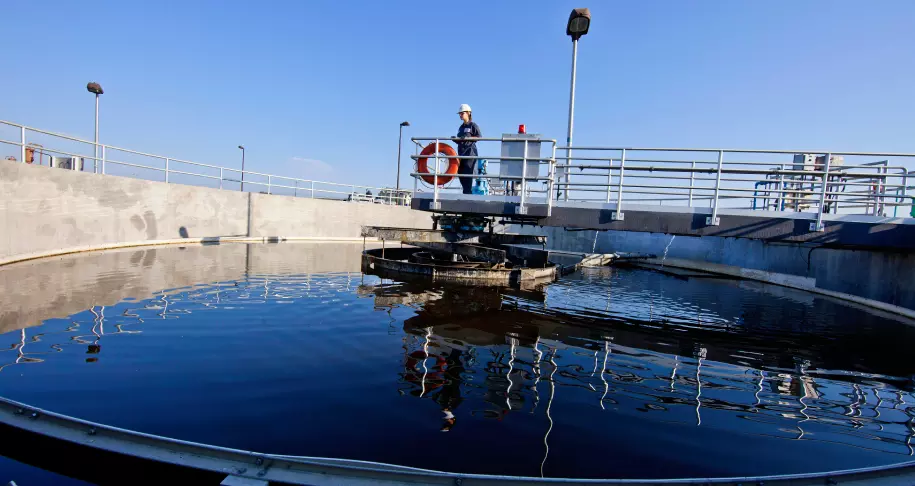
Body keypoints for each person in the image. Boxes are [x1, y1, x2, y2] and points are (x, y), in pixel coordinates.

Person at [455, 104, 481, 195]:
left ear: (468, 113)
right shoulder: (461, 128)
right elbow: (460, 141)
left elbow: (479, 137)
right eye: (460, 114)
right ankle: (466, 192)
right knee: (460, 172)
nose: (460, 115)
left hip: (470, 153)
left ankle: (467, 193)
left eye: (462, 113)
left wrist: (468, 138)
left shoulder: (472, 125)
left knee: (467, 173)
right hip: (461, 153)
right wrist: (456, 140)